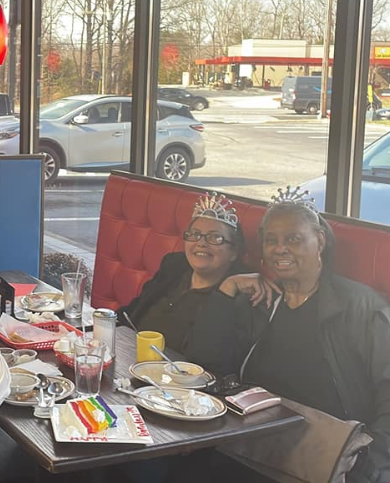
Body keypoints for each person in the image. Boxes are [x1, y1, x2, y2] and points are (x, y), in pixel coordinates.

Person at [186, 187, 390, 482]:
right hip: (249, 445)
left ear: (319, 241)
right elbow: (203, 363)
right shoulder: (259, 301)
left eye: (293, 239)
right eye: (272, 241)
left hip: (323, 457)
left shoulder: (360, 307)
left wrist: (371, 464)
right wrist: (225, 292)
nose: (279, 249)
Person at [117, 192, 246, 351]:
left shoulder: (236, 296)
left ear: (234, 252)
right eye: (195, 234)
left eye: (215, 237)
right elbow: (132, 311)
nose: (201, 243)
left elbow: (212, 356)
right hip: (128, 356)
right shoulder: (174, 266)